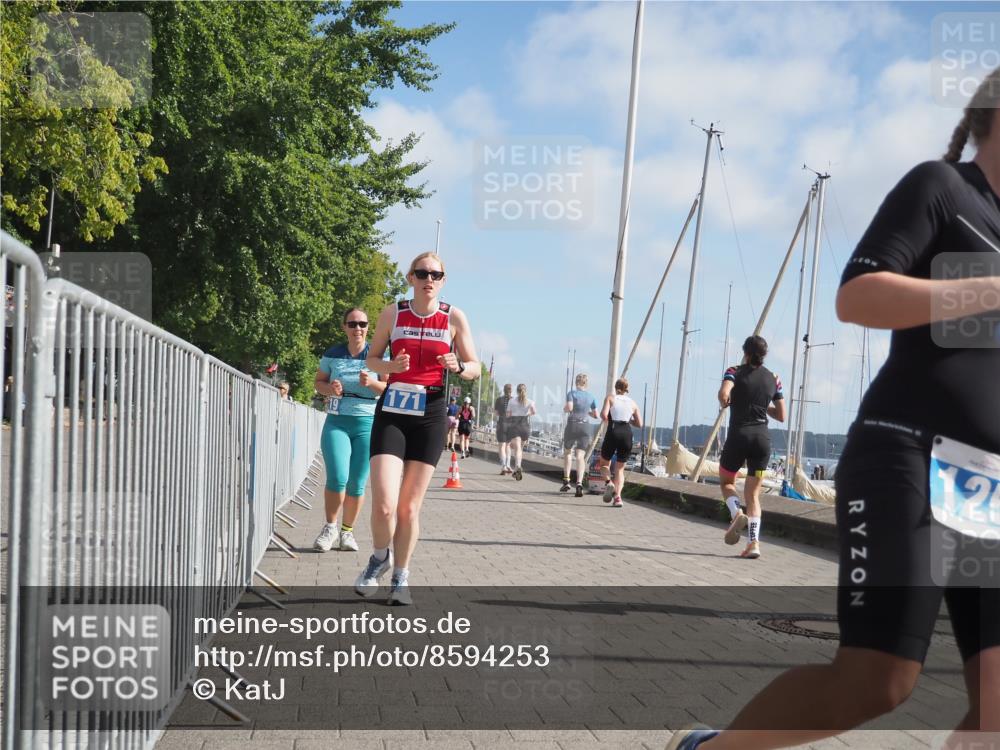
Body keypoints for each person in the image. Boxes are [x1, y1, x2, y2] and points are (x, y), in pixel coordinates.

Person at [668, 67, 1000, 750]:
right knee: (878, 681)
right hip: (904, 450)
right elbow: (858, 296)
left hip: (984, 482)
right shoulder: (942, 189)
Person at [355, 252, 479, 606]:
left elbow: (475, 367)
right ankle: (380, 557)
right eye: (422, 272)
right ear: (411, 277)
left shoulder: (453, 317)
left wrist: (458, 366)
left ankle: (401, 577)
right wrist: (390, 365)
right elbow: (371, 359)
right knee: (383, 505)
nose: (429, 278)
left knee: (408, 509)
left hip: (430, 412)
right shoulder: (393, 313)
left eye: (436, 274)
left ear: (443, 280)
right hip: (393, 409)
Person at [313, 308, 386, 553]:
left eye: (362, 324)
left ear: (368, 327)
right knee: (337, 477)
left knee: (356, 482)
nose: (358, 328)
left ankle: (347, 532)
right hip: (337, 422)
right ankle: (330, 527)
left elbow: (388, 389)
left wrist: (373, 382)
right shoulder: (333, 354)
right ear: (344, 327)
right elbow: (318, 383)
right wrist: (330, 389)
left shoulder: (377, 355)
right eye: (352, 324)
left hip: (367, 423)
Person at [715, 336, 786, 559]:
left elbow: (724, 393)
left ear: (745, 352)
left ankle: (736, 513)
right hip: (762, 440)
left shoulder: (734, 371)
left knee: (727, 481)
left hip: (739, 435)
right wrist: (762, 407)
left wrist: (726, 400)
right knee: (753, 494)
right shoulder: (774, 378)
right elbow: (782, 415)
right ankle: (753, 543)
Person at [597, 377, 641, 508]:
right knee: (620, 469)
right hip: (627, 433)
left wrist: (609, 422)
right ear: (627, 389)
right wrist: (628, 421)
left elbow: (604, 415)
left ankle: (609, 483)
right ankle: (618, 498)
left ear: (616, 388)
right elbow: (639, 423)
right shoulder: (633, 403)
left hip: (613, 431)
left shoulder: (611, 398)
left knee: (604, 464)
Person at [561, 373, 598, 497]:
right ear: (586, 383)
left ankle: (566, 480)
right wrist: (586, 411)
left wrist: (565, 409)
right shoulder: (592, 397)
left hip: (573, 424)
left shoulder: (571, 393)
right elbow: (595, 415)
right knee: (580, 456)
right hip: (585, 427)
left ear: (577, 382)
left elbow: (569, 407)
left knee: (567, 452)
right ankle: (579, 483)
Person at [505, 384, 536, 481]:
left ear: (517, 391)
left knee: (517, 448)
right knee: (520, 449)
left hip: (515, 425)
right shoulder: (530, 401)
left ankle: (517, 466)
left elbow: (508, 415)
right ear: (525, 391)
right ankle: (517, 468)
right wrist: (527, 413)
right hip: (525, 426)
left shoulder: (511, 401)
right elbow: (534, 412)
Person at [494, 384, 514, 475]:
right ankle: (508, 464)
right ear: (511, 391)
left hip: (502, 423)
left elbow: (496, 413)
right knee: (508, 446)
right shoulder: (514, 401)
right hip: (511, 424)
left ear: (504, 390)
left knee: (501, 445)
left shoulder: (499, 400)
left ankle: (503, 466)